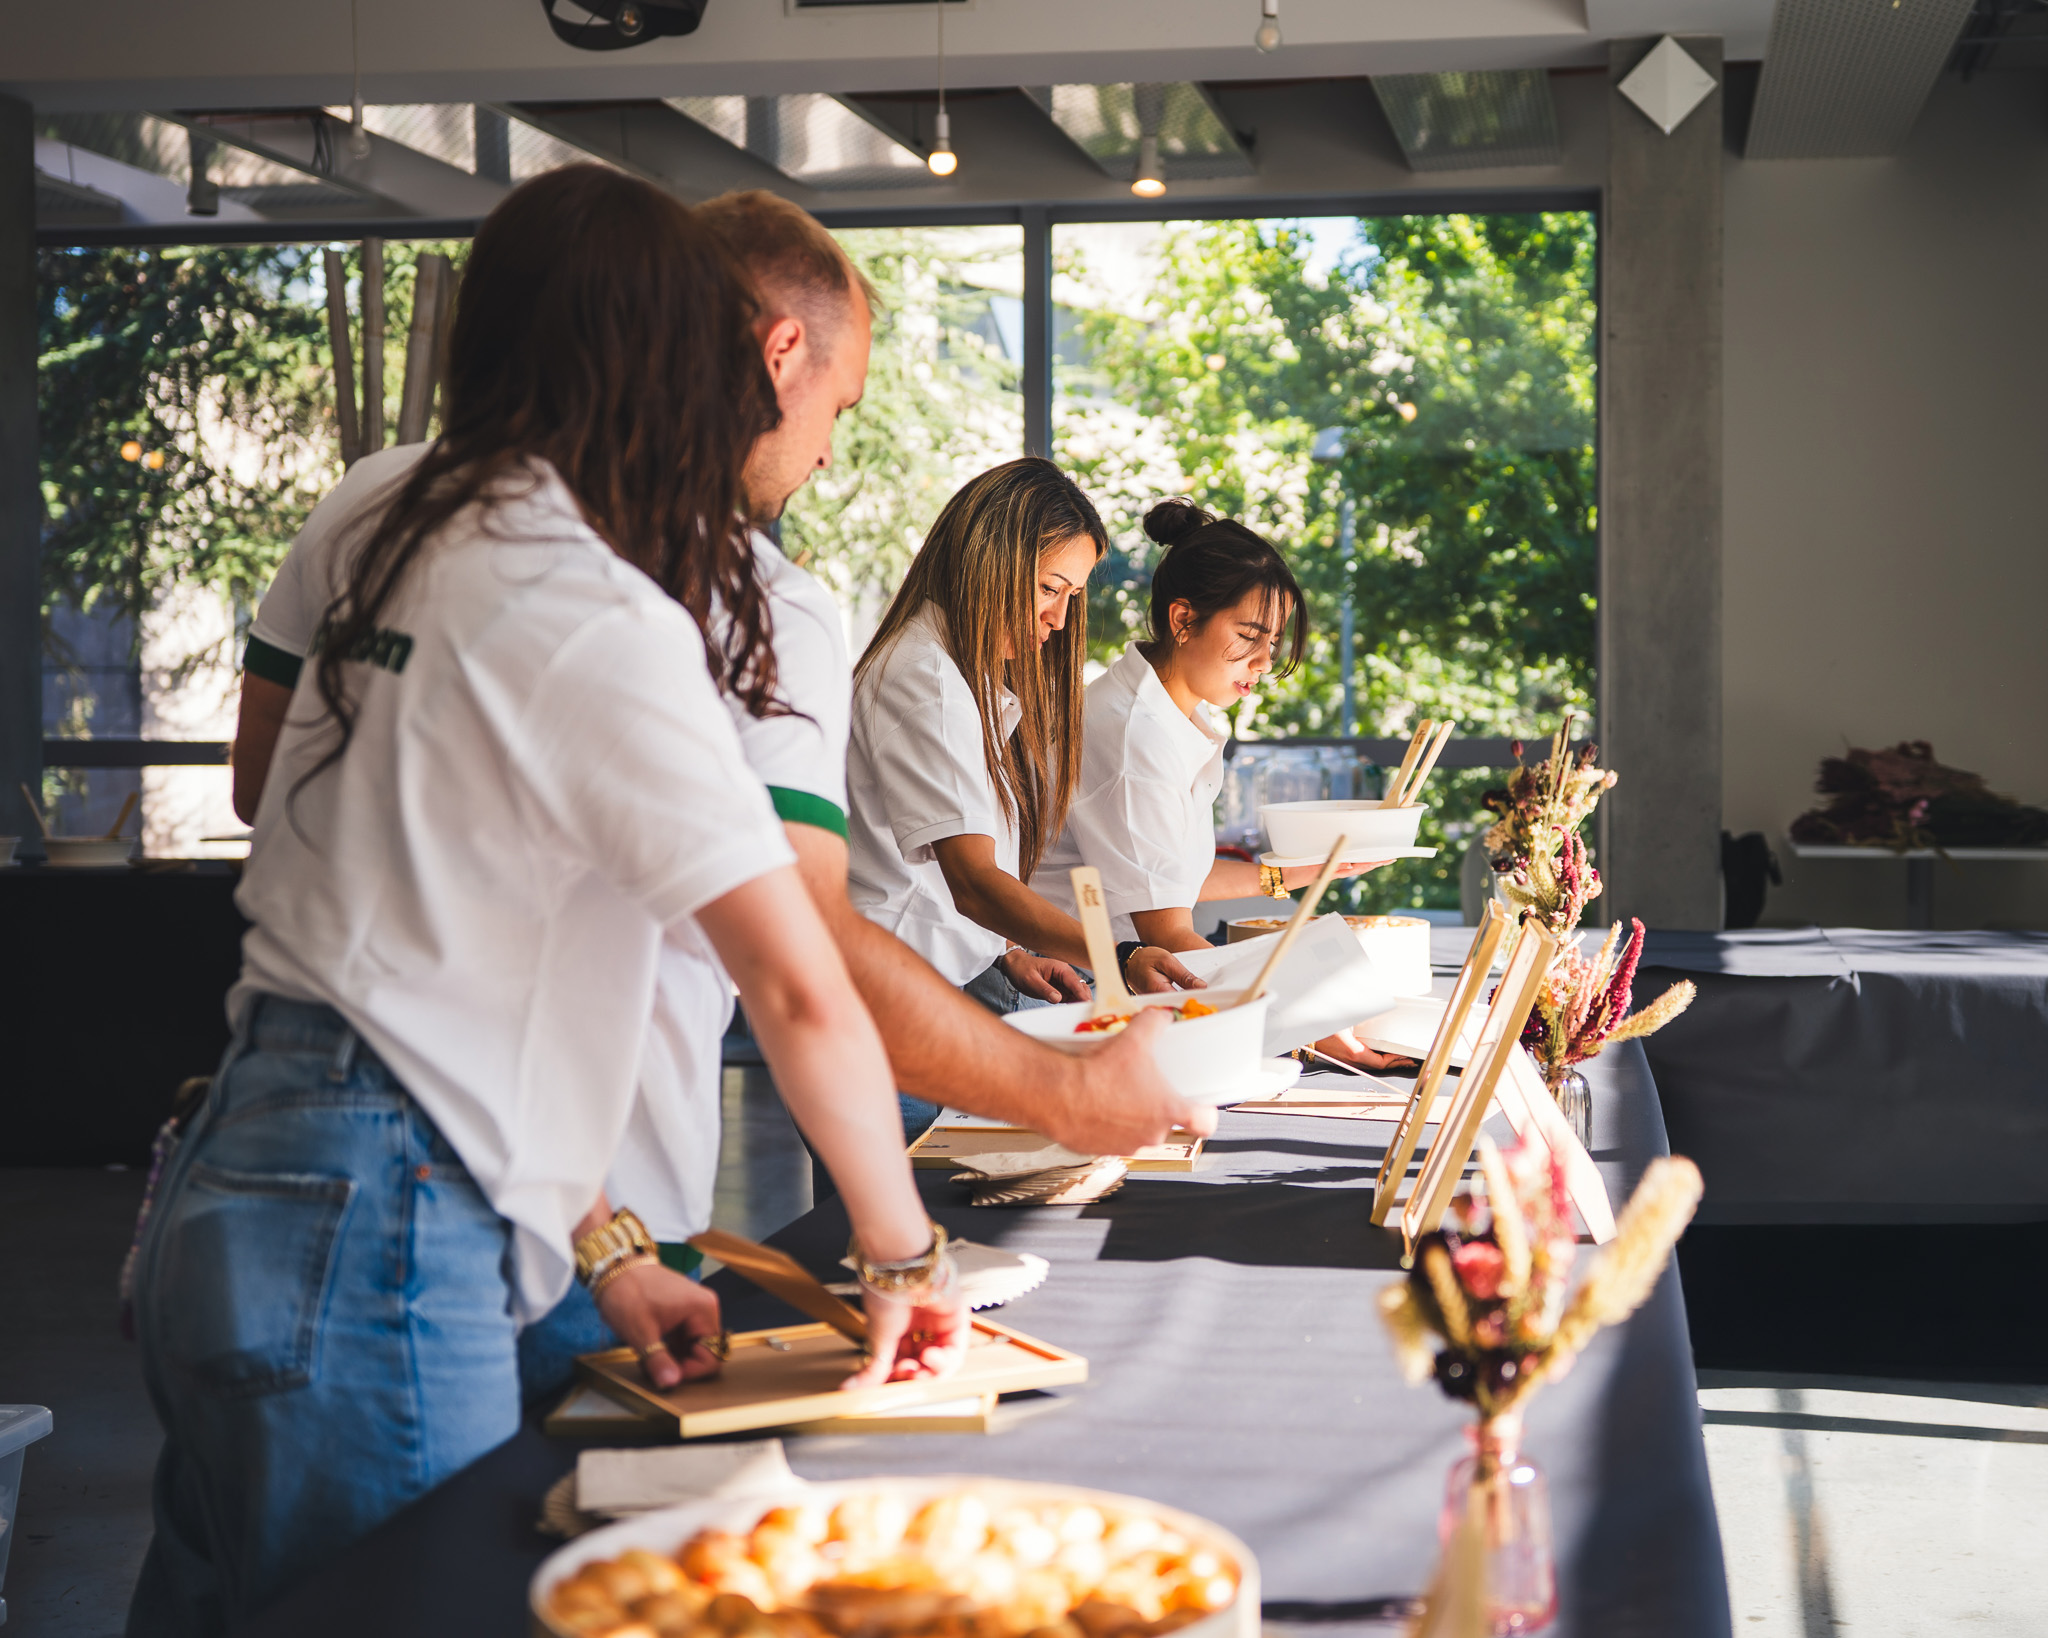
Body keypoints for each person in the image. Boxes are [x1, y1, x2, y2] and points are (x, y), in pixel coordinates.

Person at [130, 168, 963, 1637]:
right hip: (379, 1230)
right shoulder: (592, 609)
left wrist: (610, 1249)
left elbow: (425, 979)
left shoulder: (397, 540)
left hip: (239, 1180)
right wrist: (905, 1258)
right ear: (676, 362)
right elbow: (795, 980)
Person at [234, 197, 1210, 1179]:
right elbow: (801, 965)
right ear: (779, 354)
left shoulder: (384, 500)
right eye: (840, 409)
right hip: (509, 1145)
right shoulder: (752, 601)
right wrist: (1026, 1132)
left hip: (331, 1103)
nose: (828, 452)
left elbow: (270, 791)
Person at [1032, 499, 1406, 1073]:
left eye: (1272, 642)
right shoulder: (1135, 735)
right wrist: (1324, 1026)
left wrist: (1311, 870)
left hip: (1108, 979)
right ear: (1184, 620)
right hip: (1072, 993)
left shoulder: (1175, 716)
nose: (1262, 662)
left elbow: (1171, 873)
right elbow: (1173, 939)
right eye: (1249, 635)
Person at [847, 460, 1203, 1062]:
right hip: (891, 1007)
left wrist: (1007, 951)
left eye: (1071, 597)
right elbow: (973, 883)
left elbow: (930, 879)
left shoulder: (960, 677)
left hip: (931, 988)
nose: (1059, 621)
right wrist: (1116, 957)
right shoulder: (925, 681)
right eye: (1047, 588)